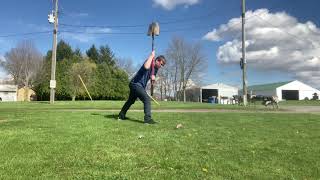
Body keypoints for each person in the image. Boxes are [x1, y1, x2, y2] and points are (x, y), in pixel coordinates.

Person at [118, 50, 166, 124]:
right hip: (136, 83)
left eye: (162, 65)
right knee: (146, 99)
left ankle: (121, 116)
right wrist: (151, 55)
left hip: (138, 85)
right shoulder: (149, 62)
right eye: (161, 64)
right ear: (157, 60)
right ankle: (147, 119)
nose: (161, 66)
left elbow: (152, 81)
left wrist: (153, 79)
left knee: (130, 101)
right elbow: (146, 67)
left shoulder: (155, 69)